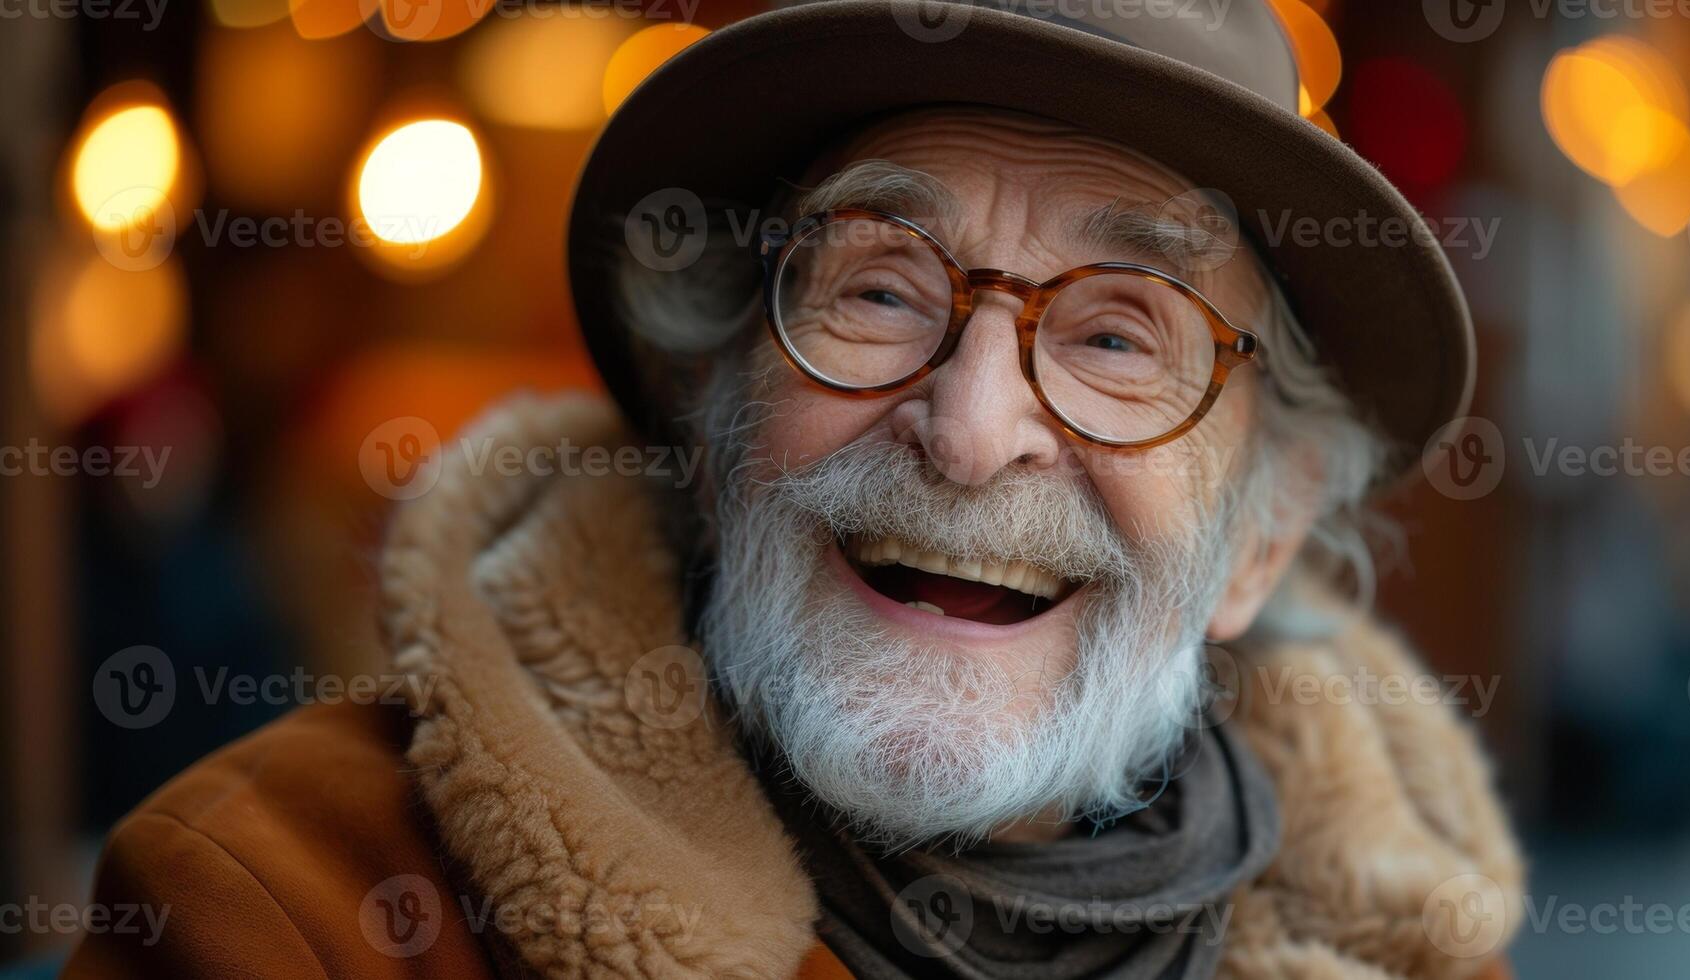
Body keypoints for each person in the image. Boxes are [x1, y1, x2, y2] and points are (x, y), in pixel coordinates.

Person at [67, 1, 1522, 977]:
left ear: (1259, 538)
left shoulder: (1407, 950)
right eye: (879, 291)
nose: (967, 430)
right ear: (709, 408)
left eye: (1112, 334)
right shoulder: (288, 905)